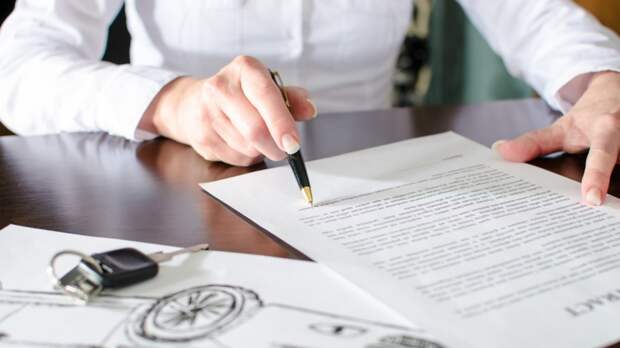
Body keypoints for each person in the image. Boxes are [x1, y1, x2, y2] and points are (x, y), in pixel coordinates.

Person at [1, 1, 620, 207]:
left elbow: (534, 17)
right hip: (174, 188)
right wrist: (169, 102)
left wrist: (603, 80)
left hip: (378, 191)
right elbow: (17, 63)